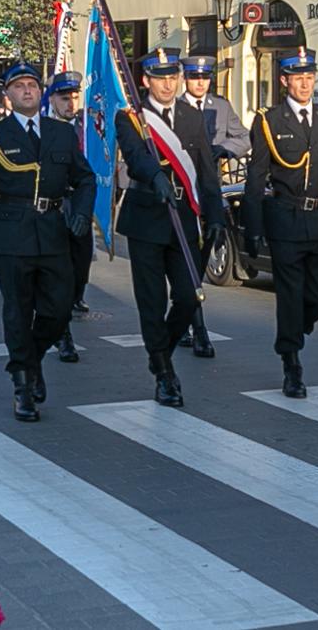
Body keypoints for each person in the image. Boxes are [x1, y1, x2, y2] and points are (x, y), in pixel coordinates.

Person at [0, 62, 94, 421]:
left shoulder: (60, 133)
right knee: (18, 310)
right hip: (10, 233)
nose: (28, 90)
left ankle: (31, 359)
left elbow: (85, 179)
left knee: (58, 309)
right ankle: (23, 384)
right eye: (20, 86)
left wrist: (82, 213)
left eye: (32, 85)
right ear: (8, 95)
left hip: (54, 231)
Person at [115, 50, 226, 407]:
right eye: (160, 77)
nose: (168, 84)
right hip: (147, 214)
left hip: (184, 216)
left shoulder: (193, 118)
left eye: (172, 77)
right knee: (152, 301)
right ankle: (164, 372)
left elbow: (207, 171)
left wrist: (216, 216)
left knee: (188, 295)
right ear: (146, 81)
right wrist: (154, 176)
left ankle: (159, 348)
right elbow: (135, 155)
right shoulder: (132, 118)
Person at [242, 47, 318, 399]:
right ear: (284, 81)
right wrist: (252, 228)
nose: (305, 84)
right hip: (285, 219)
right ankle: (292, 364)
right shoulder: (269, 121)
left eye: (309, 77)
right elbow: (256, 178)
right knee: (289, 295)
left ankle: (298, 329)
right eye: (298, 78)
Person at [176, 55, 250, 358]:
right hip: (181, 193)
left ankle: (188, 318)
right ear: (186, 79)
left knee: (197, 260)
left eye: (205, 78)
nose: (200, 83)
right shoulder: (174, 108)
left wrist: (224, 149)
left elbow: (243, 137)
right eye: (195, 78)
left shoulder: (220, 106)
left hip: (208, 192)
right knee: (183, 262)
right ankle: (196, 326)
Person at [46, 71, 89, 362]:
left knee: (81, 267)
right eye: (64, 98)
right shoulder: (46, 128)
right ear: (53, 100)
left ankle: (72, 300)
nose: (70, 103)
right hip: (58, 205)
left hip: (82, 204)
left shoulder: (89, 127)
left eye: (74, 97)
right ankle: (63, 335)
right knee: (59, 272)